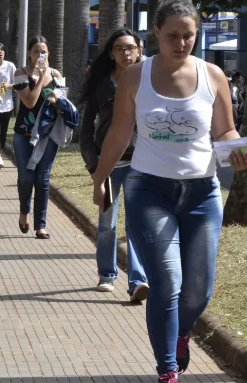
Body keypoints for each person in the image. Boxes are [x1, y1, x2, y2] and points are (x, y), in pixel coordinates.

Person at [89, 0, 247, 383]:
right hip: (149, 191)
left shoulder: (213, 76)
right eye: (172, 36)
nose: (181, 43)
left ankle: (180, 332)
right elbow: (119, 133)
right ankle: (167, 370)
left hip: (203, 194)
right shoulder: (136, 77)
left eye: (188, 36)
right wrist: (100, 179)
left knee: (199, 290)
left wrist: (238, 149)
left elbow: (225, 130)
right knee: (166, 281)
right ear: (157, 34)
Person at [79, 28, 149, 302]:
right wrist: (94, 166)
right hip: (108, 166)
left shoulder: (148, 81)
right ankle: (107, 274)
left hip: (140, 165)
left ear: (139, 51)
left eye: (130, 48)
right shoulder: (102, 85)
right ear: (111, 53)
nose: (126, 53)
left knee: (137, 223)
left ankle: (138, 281)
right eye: (119, 49)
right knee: (107, 223)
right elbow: (86, 131)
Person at [13, 36, 63, 239]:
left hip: (48, 135)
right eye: (36, 51)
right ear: (29, 53)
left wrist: (59, 100)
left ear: (48, 53)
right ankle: (24, 212)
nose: (40, 55)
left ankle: (40, 225)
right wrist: (41, 78)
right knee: (26, 178)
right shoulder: (20, 73)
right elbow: (29, 103)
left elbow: (61, 101)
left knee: (42, 179)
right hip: (24, 134)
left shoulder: (56, 74)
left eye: (44, 52)